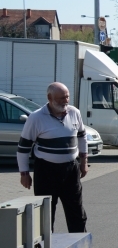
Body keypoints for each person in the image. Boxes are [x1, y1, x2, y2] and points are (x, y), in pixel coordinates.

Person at [17, 82, 90, 232]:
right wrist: (24, 174)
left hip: (70, 169)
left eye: (67, 97)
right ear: (50, 98)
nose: (65, 101)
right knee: (45, 213)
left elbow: (82, 137)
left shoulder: (74, 112)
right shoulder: (36, 118)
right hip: (46, 171)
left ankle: (79, 246)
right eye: (61, 98)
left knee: (76, 210)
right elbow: (23, 148)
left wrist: (84, 162)